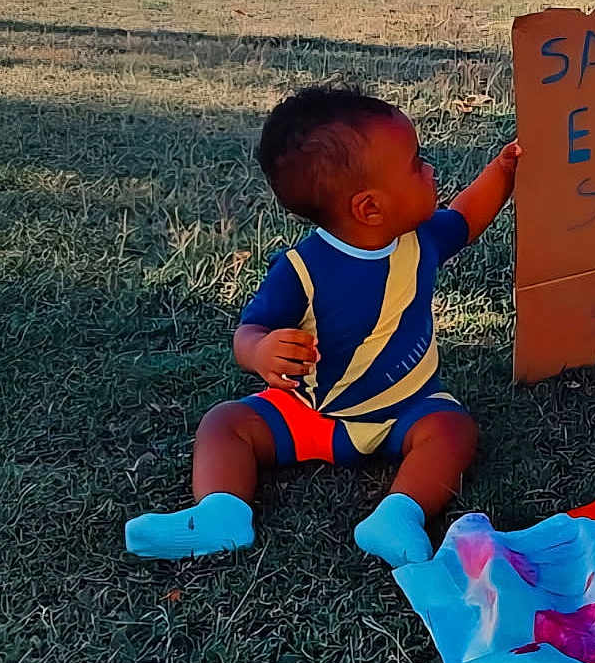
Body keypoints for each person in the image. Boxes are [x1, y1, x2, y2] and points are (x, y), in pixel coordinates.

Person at [125, 84, 519, 568]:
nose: (431, 169)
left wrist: (503, 170)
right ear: (369, 207)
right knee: (225, 422)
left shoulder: (421, 240)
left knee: (453, 429)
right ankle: (221, 513)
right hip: (310, 415)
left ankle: (399, 514)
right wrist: (262, 351)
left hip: (405, 411)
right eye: (418, 162)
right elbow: (249, 331)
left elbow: (466, 216)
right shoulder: (301, 269)